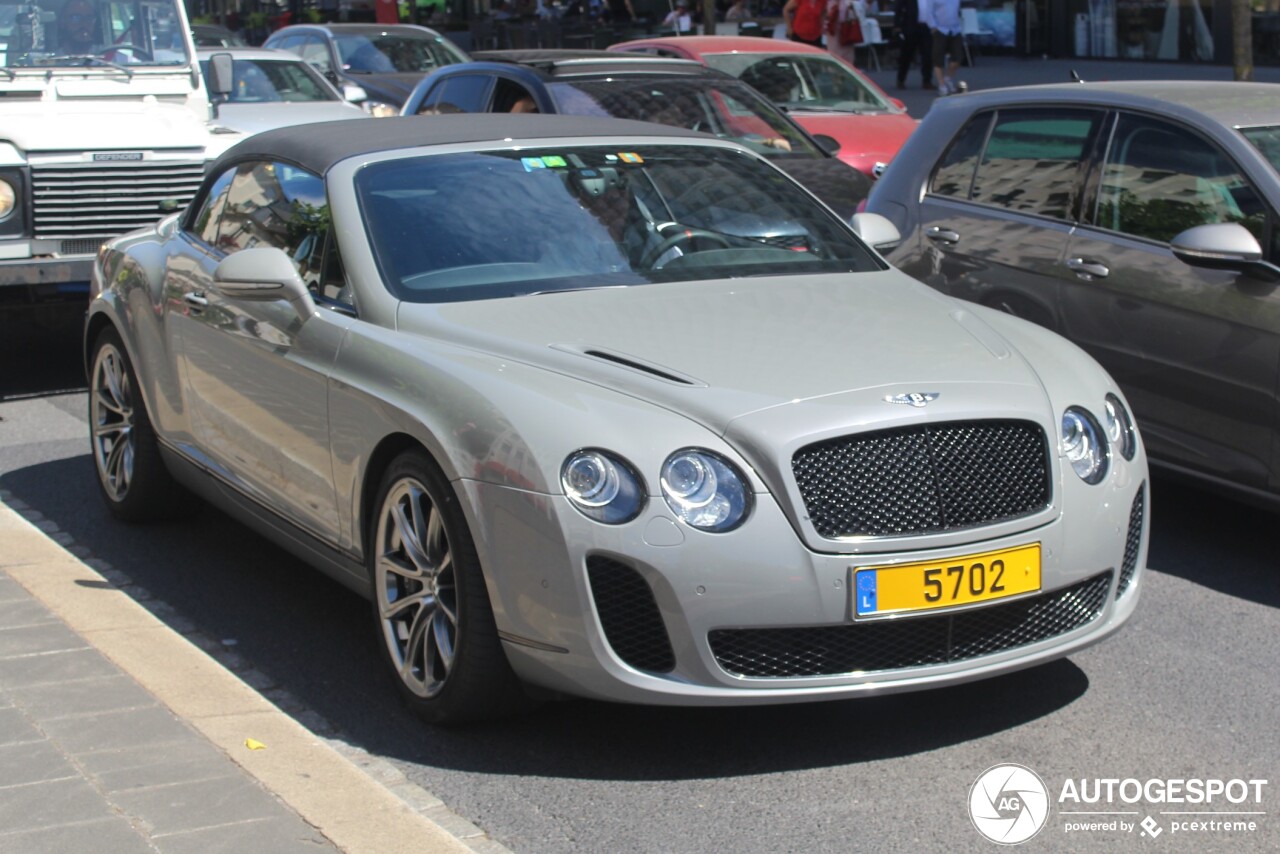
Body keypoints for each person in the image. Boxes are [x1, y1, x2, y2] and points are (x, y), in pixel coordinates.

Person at [921, 0, 963, 95]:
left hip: (955, 29)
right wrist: (933, 27)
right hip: (941, 29)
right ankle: (942, 85)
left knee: (958, 58)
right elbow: (929, 12)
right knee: (938, 58)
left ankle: (948, 77)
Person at [894, 0, 932, 90]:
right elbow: (898, 8)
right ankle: (901, 79)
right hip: (911, 27)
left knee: (927, 54)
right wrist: (897, 25)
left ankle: (927, 81)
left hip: (927, 27)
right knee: (906, 55)